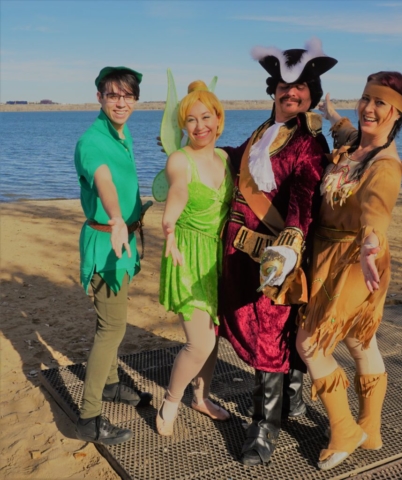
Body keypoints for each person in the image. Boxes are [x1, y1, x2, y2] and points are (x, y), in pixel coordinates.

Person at [218, 38, 337, 466]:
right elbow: (242, 161)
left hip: (274, 255)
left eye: (301, 87)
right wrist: (205, 152)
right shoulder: (263, 131)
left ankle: (264, 425)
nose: (292, 93)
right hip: (240, 253)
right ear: (274, 90)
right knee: (263, 330)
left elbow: (305, 192)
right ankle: (291, 397)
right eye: (285, 87)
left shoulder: (309, 142)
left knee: (270, 333)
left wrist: (291, 237)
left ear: (311, 94)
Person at [296, 71, 402, 470]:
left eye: (380, 103)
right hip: (329, 253)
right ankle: (371, 428)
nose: (369, 108)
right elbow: (344, 128)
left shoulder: (385, 165)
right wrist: (331, 113)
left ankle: (345, 428)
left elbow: (377, 208)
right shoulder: (355, 142)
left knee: (310, 343)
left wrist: (370, 244)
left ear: (397, 114)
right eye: (366, 98)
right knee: (362, 342)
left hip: (355, 259)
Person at [74, 66, 152, 445]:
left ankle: (110, 384)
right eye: (113, 95)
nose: (121, 102)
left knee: (109, 320)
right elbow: (103, 179)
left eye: (127, 95)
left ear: (135, 99)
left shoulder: (122, 133)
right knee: (112, 329)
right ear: (99, 98)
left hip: (124, 242)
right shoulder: (91, 142)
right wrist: (118, 218)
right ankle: (89, 417)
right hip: (107, 245)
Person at [156, 80, 233, 436]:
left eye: (205, 117)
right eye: (191, 120)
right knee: (199, 341)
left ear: (218, 119)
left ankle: (201, 398)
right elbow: (178, 190)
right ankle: (171, 401)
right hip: (187, 254)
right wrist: (169, 225)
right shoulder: (179, 159)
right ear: (183, 125)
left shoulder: (225, 158)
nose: (200, 126)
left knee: (211, 336)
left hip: (218, 255)